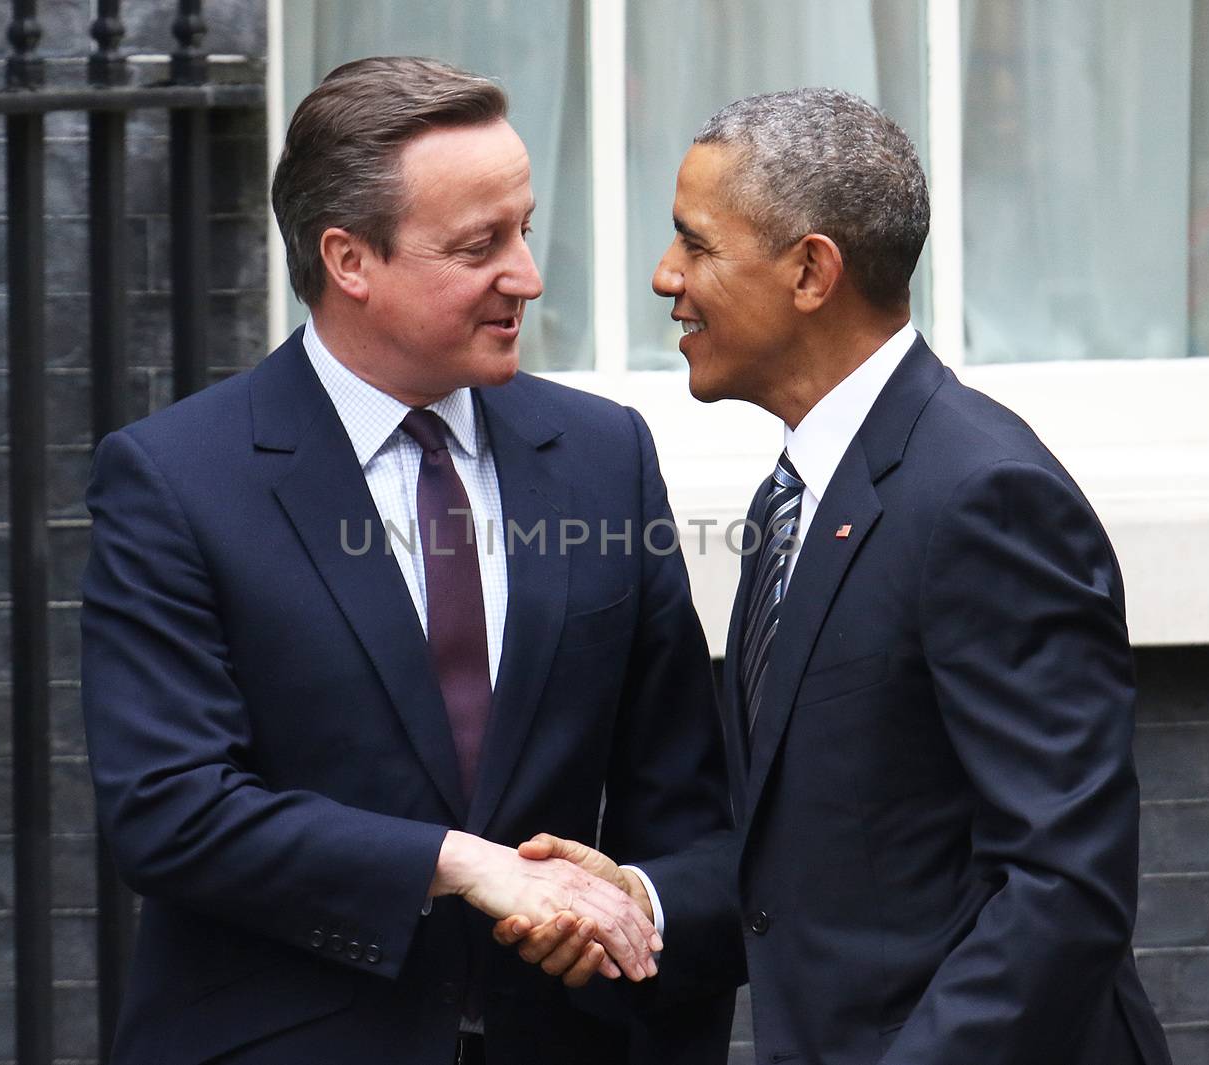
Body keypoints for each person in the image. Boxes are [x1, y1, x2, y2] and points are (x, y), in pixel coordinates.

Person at [80, 56, 738, 1065]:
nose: (526, 272)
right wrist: (455, 863)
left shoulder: (607, 458)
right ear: (349, 260)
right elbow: (170, 811)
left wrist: (631, 904)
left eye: (522, 227)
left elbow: (693, 807)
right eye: (480, 245)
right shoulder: (174, 480)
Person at [501, 88, 1174, 1065]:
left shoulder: (985, 499)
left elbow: (1065, 889)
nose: (664, 277)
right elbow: (804, 856)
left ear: (811, 271)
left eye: (696, 244)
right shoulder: (794, 499)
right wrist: (639, 899)